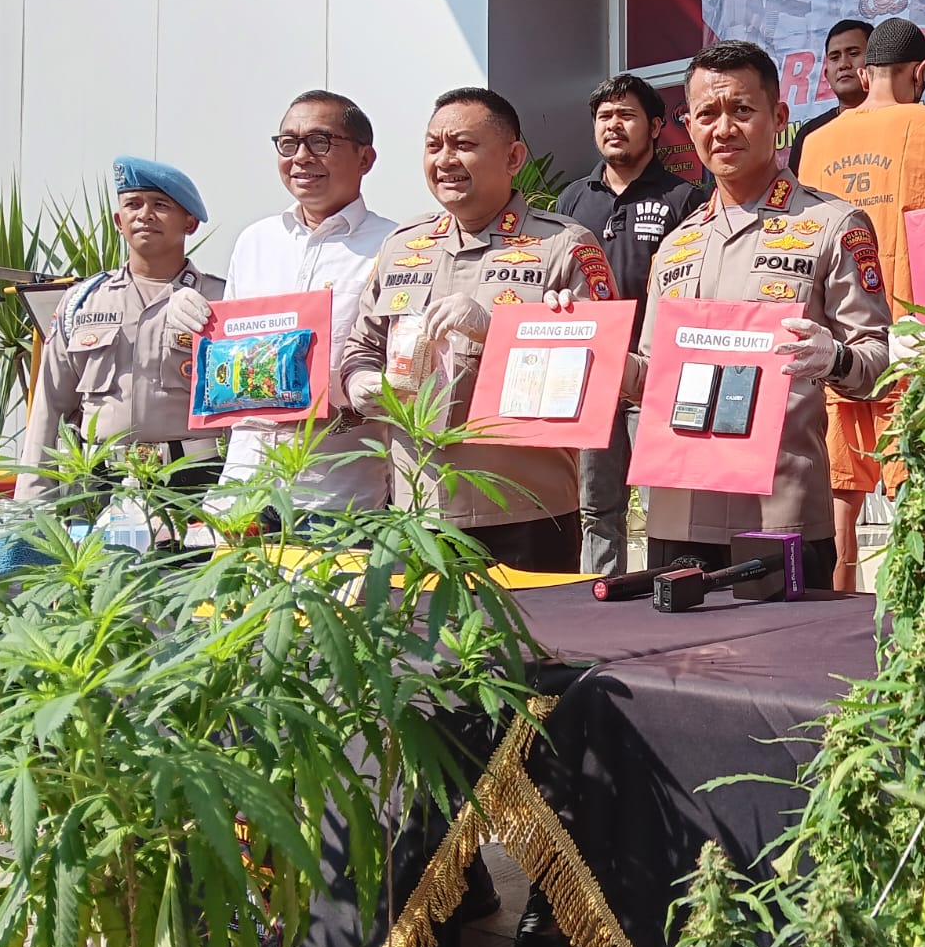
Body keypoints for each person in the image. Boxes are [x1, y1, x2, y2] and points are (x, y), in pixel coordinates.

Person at [615, 39, 891, 587]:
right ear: (689, 126)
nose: (724, 129)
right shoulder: (675, 245)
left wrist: (832, 358)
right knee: (675, 667)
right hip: (679, 509)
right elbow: (650, 376)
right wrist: (599, 358)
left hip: (778, 511)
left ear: (779, 118)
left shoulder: (834, 225)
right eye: (707, 114)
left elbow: (881, 363)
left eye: (742, 110)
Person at [339, 86, 619, 571]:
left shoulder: (565, 246)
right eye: (433, 146)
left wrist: (499, 332)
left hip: (529, 514)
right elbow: (361, 348)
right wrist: (359, 381)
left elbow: (606, 378)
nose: (445, 159)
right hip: (418, 512)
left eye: (463, 145)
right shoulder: (403, 246)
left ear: (513, 157)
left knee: (532, 648)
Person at [168, 90, 396, 521]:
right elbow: (235, 353)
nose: (301, 157)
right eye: (288, 144)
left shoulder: (394, 246)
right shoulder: (255, 241)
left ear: (365, 159)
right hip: (246, 487)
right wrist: (197, 325)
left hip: (337, 493)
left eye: (320, 142)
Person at [796, 17, 925, 589]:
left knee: (841, 480)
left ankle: (834, 594)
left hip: (838, 336)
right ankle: (911, 603)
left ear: (867, 73)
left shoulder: (816, 143)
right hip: (910, 333)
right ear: (919, 72)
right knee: (912, 479)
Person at [555, 74, 706, 575]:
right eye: (604, 116)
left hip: (656, 379)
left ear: (656, 126)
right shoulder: (573, 200)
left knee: (666, 504)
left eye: (626, 115)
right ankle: (603, 600)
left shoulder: (684, 198)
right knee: (598, 507)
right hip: (592, 377)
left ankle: (672, 597)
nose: (613, 125)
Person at [16, 157, 224, 501]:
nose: (144, 214)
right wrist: (33, 495)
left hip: (194, 484)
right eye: (133, 204)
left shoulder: (220, 300)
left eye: (161, 205)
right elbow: (49, 403)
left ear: (190, 223)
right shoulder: (82, 302)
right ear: (118, 221)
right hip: (100, 482)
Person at [786, 19, 872, 174]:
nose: (843, 64)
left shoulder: (901, 123)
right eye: (834, 57)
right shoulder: (810, 134)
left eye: (853, 53)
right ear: (826, 74)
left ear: (876, 62)